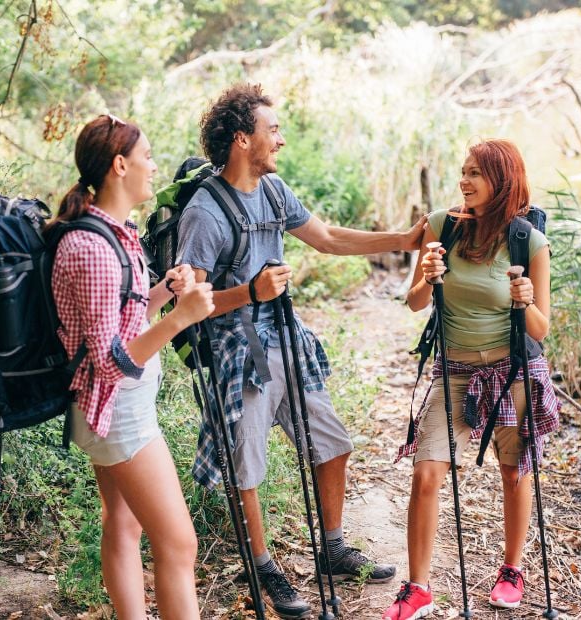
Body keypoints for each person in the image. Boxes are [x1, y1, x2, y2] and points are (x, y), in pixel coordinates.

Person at [175, 83, 427, 619]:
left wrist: (402, 240)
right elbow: (190, 306)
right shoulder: (204, 213)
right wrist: (251, 292)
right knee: (246, 466)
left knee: (332, 442)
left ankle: (331, 549)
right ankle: (262, 564)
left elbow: (328, 238)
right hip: (236, 353)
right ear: (243, 140)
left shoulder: (273, 190)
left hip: (287, 339)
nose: (281, 140)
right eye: (273, 130)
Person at [380, 139, 561, 620]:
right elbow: (416, 302)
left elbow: (543, 328)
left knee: (514, 470)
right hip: (455, 368)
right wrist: (427, 276)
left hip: (513, 371)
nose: (464, 181)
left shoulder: (530, 242)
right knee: (426, 472)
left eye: (476, 173)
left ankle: (511, 570)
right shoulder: (443, 226)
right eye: (463, 171)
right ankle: (418, 588)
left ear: (502, 181)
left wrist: (524, 301)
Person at [50, 114, 213, 620]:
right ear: (120, 165)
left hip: (112, 409)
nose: (154, 166)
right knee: (180, 545)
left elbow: (118, 323)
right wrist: (180, 319)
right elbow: (108, 363)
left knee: (123, 524)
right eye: (148, 158)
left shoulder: (112, 233)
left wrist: (165, 292)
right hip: (117, 414)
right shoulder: (92, 246)